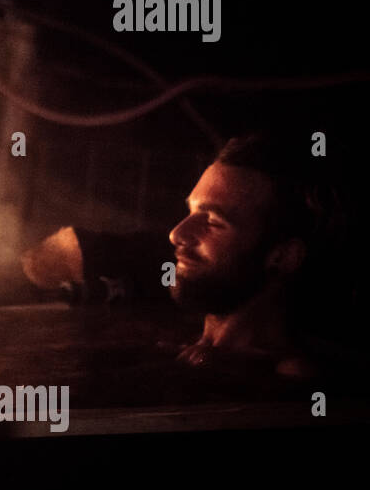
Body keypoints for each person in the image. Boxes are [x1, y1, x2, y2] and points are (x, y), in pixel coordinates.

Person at [21, 131, 359, 384]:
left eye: (212, 221)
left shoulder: (284, 378)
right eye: (190, 211)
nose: (176, 233)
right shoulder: (180, 339)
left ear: (283, 256)